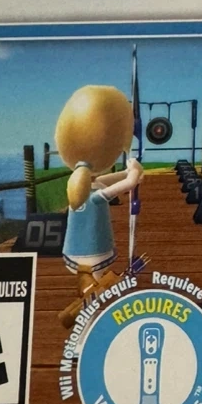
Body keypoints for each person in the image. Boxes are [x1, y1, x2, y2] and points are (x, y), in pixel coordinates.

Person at [55, 84, 143, 329]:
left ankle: (87, 321)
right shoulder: (93, 196)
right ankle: (85, 329)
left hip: (75, 253)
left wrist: (130, 173)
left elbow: (113, 180)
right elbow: (125, 185)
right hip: (92, 253)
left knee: (92, 288)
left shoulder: (82, 187)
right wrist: (133, 173)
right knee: (92, 294)